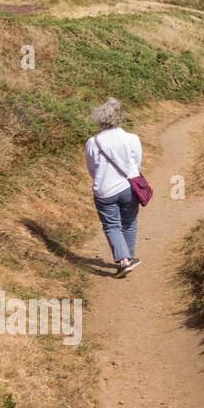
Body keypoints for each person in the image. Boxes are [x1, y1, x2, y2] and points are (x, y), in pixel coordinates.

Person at [84, 98, 144, 276]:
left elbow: (91, 168)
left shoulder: (93, 142)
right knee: (129, 222)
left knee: (111, 226)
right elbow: (137, 162)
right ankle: (129, 258)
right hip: (129, 187)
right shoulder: (131, 138)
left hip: (104, 189)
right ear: (120, 118)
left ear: (100, 119)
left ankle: (123, 261)